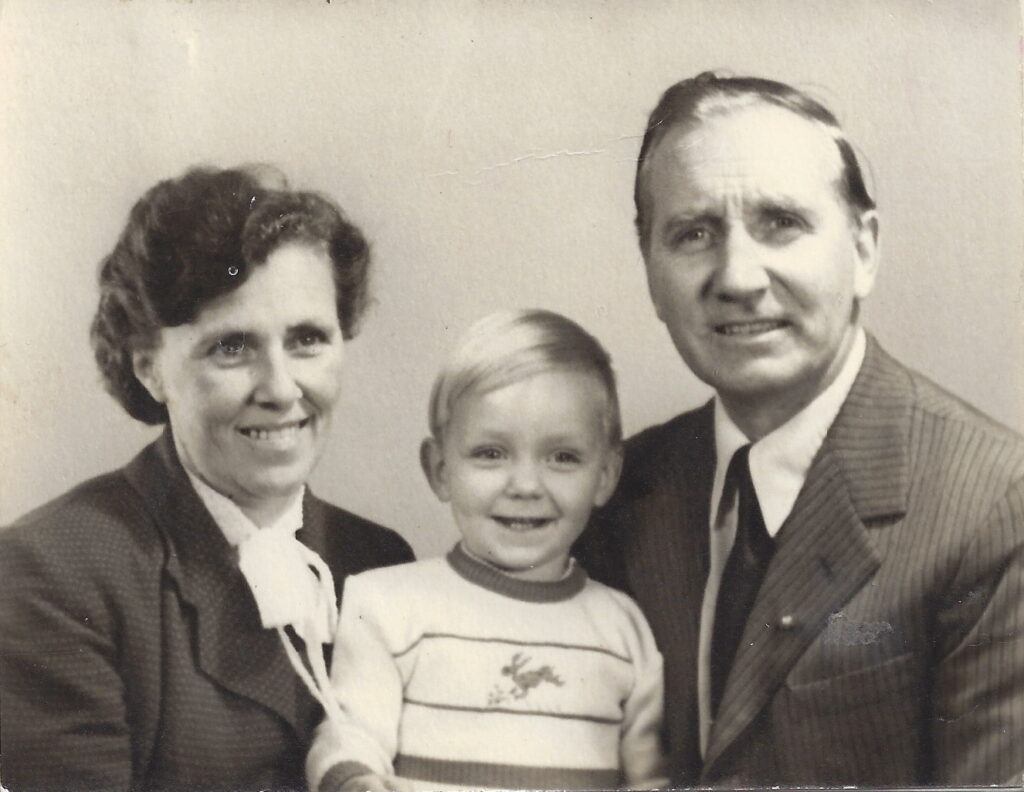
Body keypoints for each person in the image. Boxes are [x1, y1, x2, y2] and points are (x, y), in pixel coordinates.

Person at [575, 72, 1024, 786]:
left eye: (780, 223)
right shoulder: (616, 494)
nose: (738, 277)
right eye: (694, 234)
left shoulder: (997, 505)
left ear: (864, 249)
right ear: (651, 271)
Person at [0, 166, 414, 791]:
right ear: (150, 369)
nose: (281, 390)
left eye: (307, 339)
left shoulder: (376, 562)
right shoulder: (55, 574)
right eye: (232, 347)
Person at [306, 309, 668, 792]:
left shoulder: (623, 629)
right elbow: (349, 733)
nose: (525, 485)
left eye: (563, 457)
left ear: (604, 476)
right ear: (439, 469)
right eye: (491, 454)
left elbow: (650, 776)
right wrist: (355, 779)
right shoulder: (386, 606)